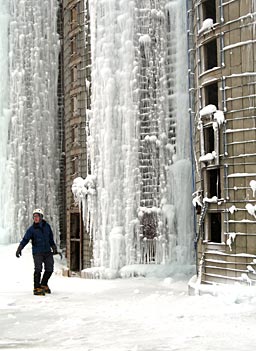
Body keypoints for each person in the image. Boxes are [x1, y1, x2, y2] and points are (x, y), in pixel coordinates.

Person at [16, 208, 58, 296]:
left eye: (37, 216)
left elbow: (50, 238)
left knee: (50, 269)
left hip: (47, 251)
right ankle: (36, 287)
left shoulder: (47, 227)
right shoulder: (31, 229)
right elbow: (25, 240)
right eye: (34, 216)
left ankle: (43, 284)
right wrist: (19, 248)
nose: (35, 218)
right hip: (37, 252)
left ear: (41, 217)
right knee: (38, 269)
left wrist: (53, 247)